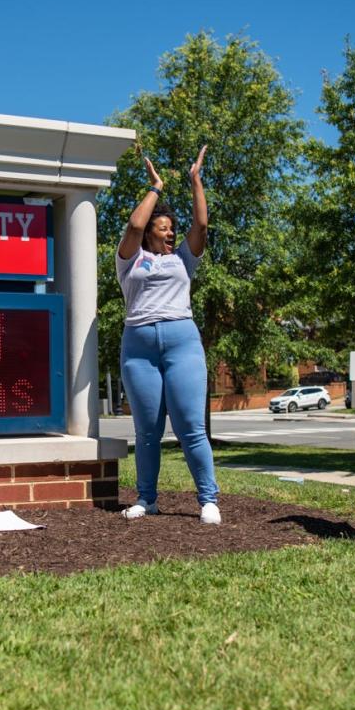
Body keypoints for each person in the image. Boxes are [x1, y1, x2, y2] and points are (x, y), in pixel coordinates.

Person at [116, 145, 221, 525]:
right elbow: (133, 226)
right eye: (163, 229)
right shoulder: (130, 260)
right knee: (147, 431)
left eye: (172, 229)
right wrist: (156, 187)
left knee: (191, 427)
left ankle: (208, 499)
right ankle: (147, 499)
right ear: (150, 235)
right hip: (139, 347)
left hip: (182, 342)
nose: (170, 233)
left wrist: (196, 180)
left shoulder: (183, 259)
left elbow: (202, 226)